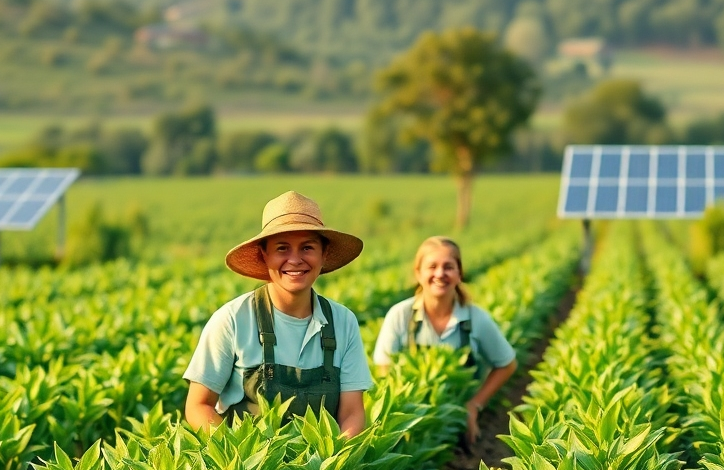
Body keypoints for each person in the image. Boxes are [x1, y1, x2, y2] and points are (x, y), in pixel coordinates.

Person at [184, 190, 373, 437]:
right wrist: (237, 454)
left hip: (321, 468)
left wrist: (333, 460)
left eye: (307, 247)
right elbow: (198, 405)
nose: (295, 260)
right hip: (250, 469)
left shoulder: (343, 322)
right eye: (282, 248)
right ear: (265, 255)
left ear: (324, 254)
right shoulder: (232, 319)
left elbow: (352, 412)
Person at [373, 236, 517, 446]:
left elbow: (507, 364)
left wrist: (474, 405)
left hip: (458, 423)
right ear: (418, 273)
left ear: (460, 274)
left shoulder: (476, 318)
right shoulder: (400, 315)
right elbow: (383, 369)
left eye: (448, 267)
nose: (440, 274)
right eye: (432, 266)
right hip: (413, 423)